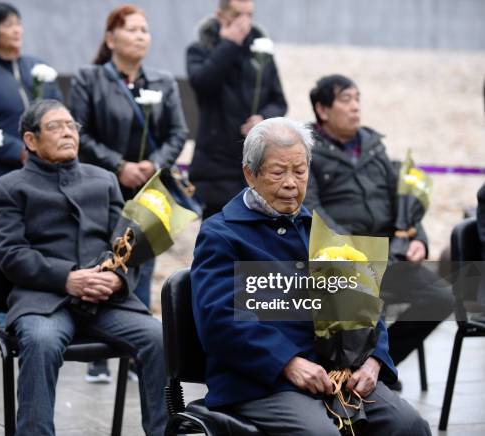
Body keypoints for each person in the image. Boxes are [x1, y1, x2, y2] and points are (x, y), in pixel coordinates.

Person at [190, 117, 431, 435]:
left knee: (409, 426)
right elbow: (218, 320)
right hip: (260, 381)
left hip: (333, 375)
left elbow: (365, 301)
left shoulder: (319, 229)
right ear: (250, 173)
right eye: (278, 172)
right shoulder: (222, 234)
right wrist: (287, 362)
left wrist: (374, 360)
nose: (291, 183)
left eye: (300, 171)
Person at [0, 99, 167, 436]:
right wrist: (67, 278)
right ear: (31, 140)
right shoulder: (10, 188)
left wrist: (116, 279)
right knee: (41, 342)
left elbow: (125, 245)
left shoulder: (103, 180)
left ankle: (164, 431)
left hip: (106, 301)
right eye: (56, 126)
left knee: (158, 338)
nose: (68, 132)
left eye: (72, 126)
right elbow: (11, 254)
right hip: (45, 301)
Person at [303, 74, 454, 385]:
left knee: (442, 295)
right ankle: (358, 371)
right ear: (322, 109)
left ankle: (380, 366)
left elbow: (403, 200)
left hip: (391, 257)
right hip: (345, 261)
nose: (356, 107)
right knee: (373, 298)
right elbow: (314, 210)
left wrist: (418, 240)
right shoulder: (308, 151)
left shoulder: (374, 148)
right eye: (346, 100)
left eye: (358, 99)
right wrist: (356, 251)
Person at [71, 4, 188, 381]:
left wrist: (152, 164)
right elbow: (80, 132)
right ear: (111, 38)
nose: (141, 35)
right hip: (101, 186)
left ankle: (136, 353)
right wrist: (119, 165)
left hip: (148, 190)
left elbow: (177, 133)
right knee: (101, 258)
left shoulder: (162, 81)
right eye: (133, 29)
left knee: (141, 261)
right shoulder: (89, 78)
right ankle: (98, 357)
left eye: (145, 30)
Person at [0, 2, 63, 232]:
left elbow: (59, 110)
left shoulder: (38, 67)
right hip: (0, 178)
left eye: (18, 24)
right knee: (2, 246)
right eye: (8, 25)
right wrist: (18, 149)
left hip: (45, 175)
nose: (17, 30)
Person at [186, 0, 288, 219]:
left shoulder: (261, 52)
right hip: (216, 168)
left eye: (249, 15)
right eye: (237, 15)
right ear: (220, 15)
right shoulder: (201, 48)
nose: (244, 22)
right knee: (219, 239)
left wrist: (263, 119)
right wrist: (229, 44)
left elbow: (279, 101)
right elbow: (202, 84)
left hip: (256, 163)